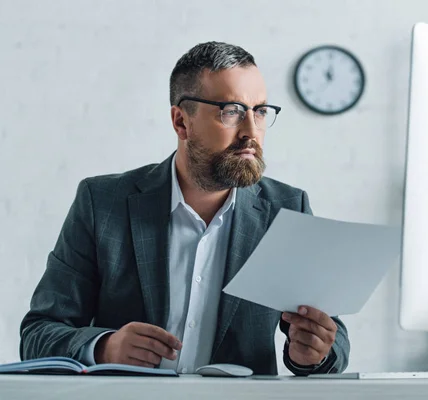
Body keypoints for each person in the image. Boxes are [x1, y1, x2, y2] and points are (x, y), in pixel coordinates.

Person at [19, 41, 350, 376]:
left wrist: (315, 353)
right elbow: (38, 333)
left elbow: (332, 337)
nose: (251, 132)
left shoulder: (287, 210)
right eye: (232, 111)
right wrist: (105, 347)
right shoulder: (102, 203)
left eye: (260, 112)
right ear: (181, 122)